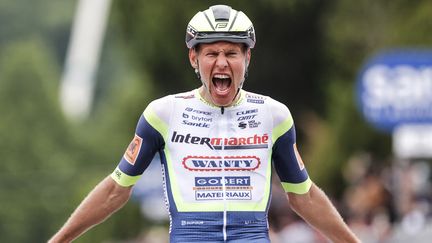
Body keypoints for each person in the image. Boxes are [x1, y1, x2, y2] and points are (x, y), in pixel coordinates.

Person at [49, 5, 360, 243]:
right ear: (193, 59)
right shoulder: (163, 113)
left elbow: (302, 195)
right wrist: (59, 240)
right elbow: (116, 190)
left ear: (247, 58)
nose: (222, 62)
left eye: (231, 53)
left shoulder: (274, 115)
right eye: (211, 53)